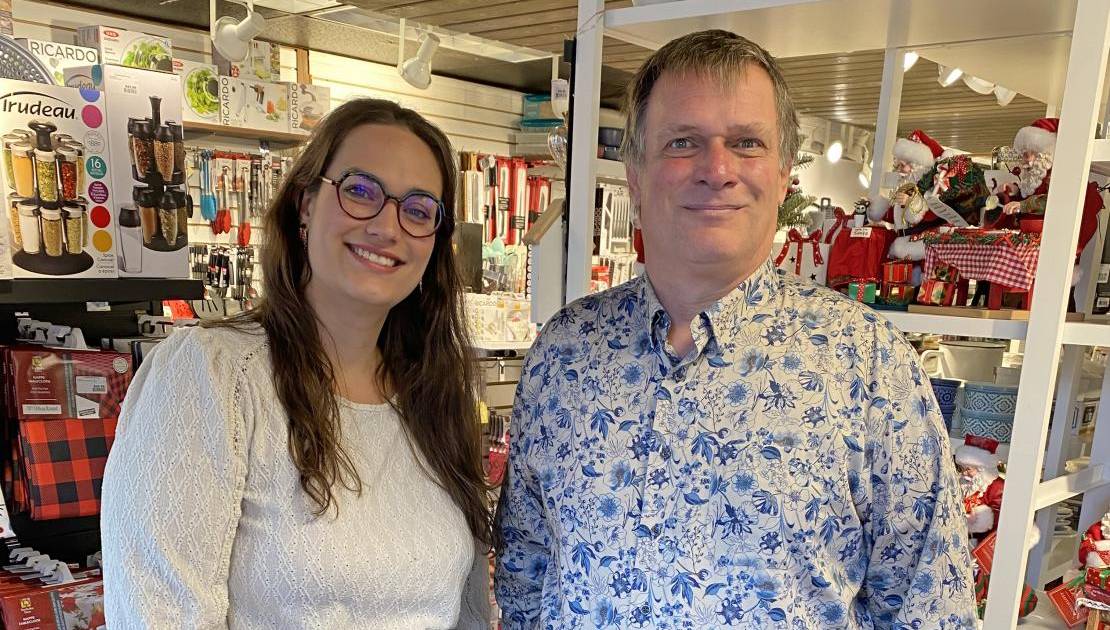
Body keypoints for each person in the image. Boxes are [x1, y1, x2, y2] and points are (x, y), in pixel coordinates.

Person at [495, 30, 977, 628]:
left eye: (746, 143)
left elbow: (930, 610)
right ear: (636, 177)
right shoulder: (563, 356)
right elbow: (525, 582)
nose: (717, 169)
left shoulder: (869, 367)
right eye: (683, 142)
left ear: (781, 176)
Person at [102, 98, 491, 628]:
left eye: (419, 209)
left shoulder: (436, 402)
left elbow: (462, 611)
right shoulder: (214, 376)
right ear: (306, 203)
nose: (387, 225)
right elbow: (157, 611)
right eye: (360, 191)